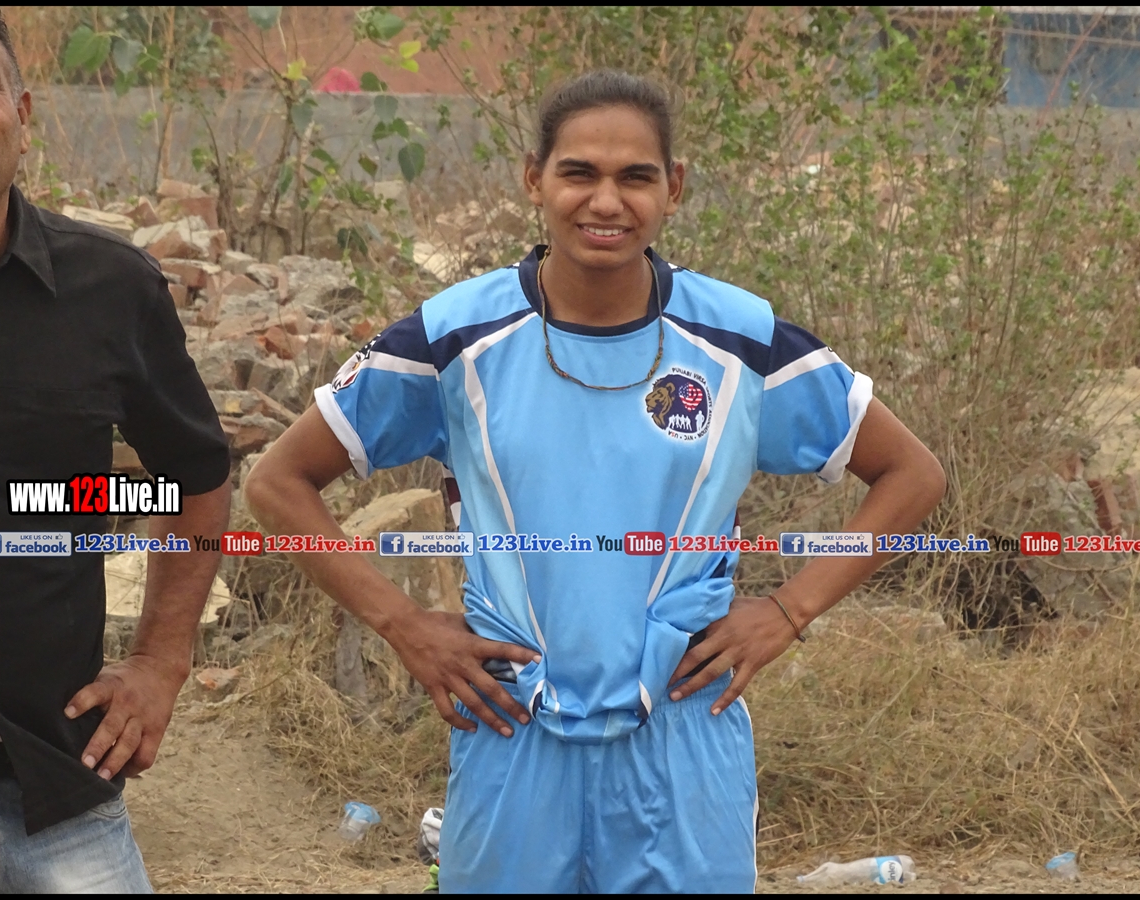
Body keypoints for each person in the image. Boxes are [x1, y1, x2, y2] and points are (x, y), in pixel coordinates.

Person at [245, 69, 945, 892]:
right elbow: (279, 482)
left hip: (684, 732)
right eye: (578, 173)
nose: (605, 202)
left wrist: (789, 611)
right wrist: (401, 623)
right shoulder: (456, 335)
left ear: (673, 188)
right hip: (511, 725)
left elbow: (911, 474)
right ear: (534, 178)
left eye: (635, 177)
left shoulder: (740, 341)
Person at [0, 8, 232, 893]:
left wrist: (162, 664)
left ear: (23, 113)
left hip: (55, 784)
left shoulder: (111, 288)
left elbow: (195, 479)